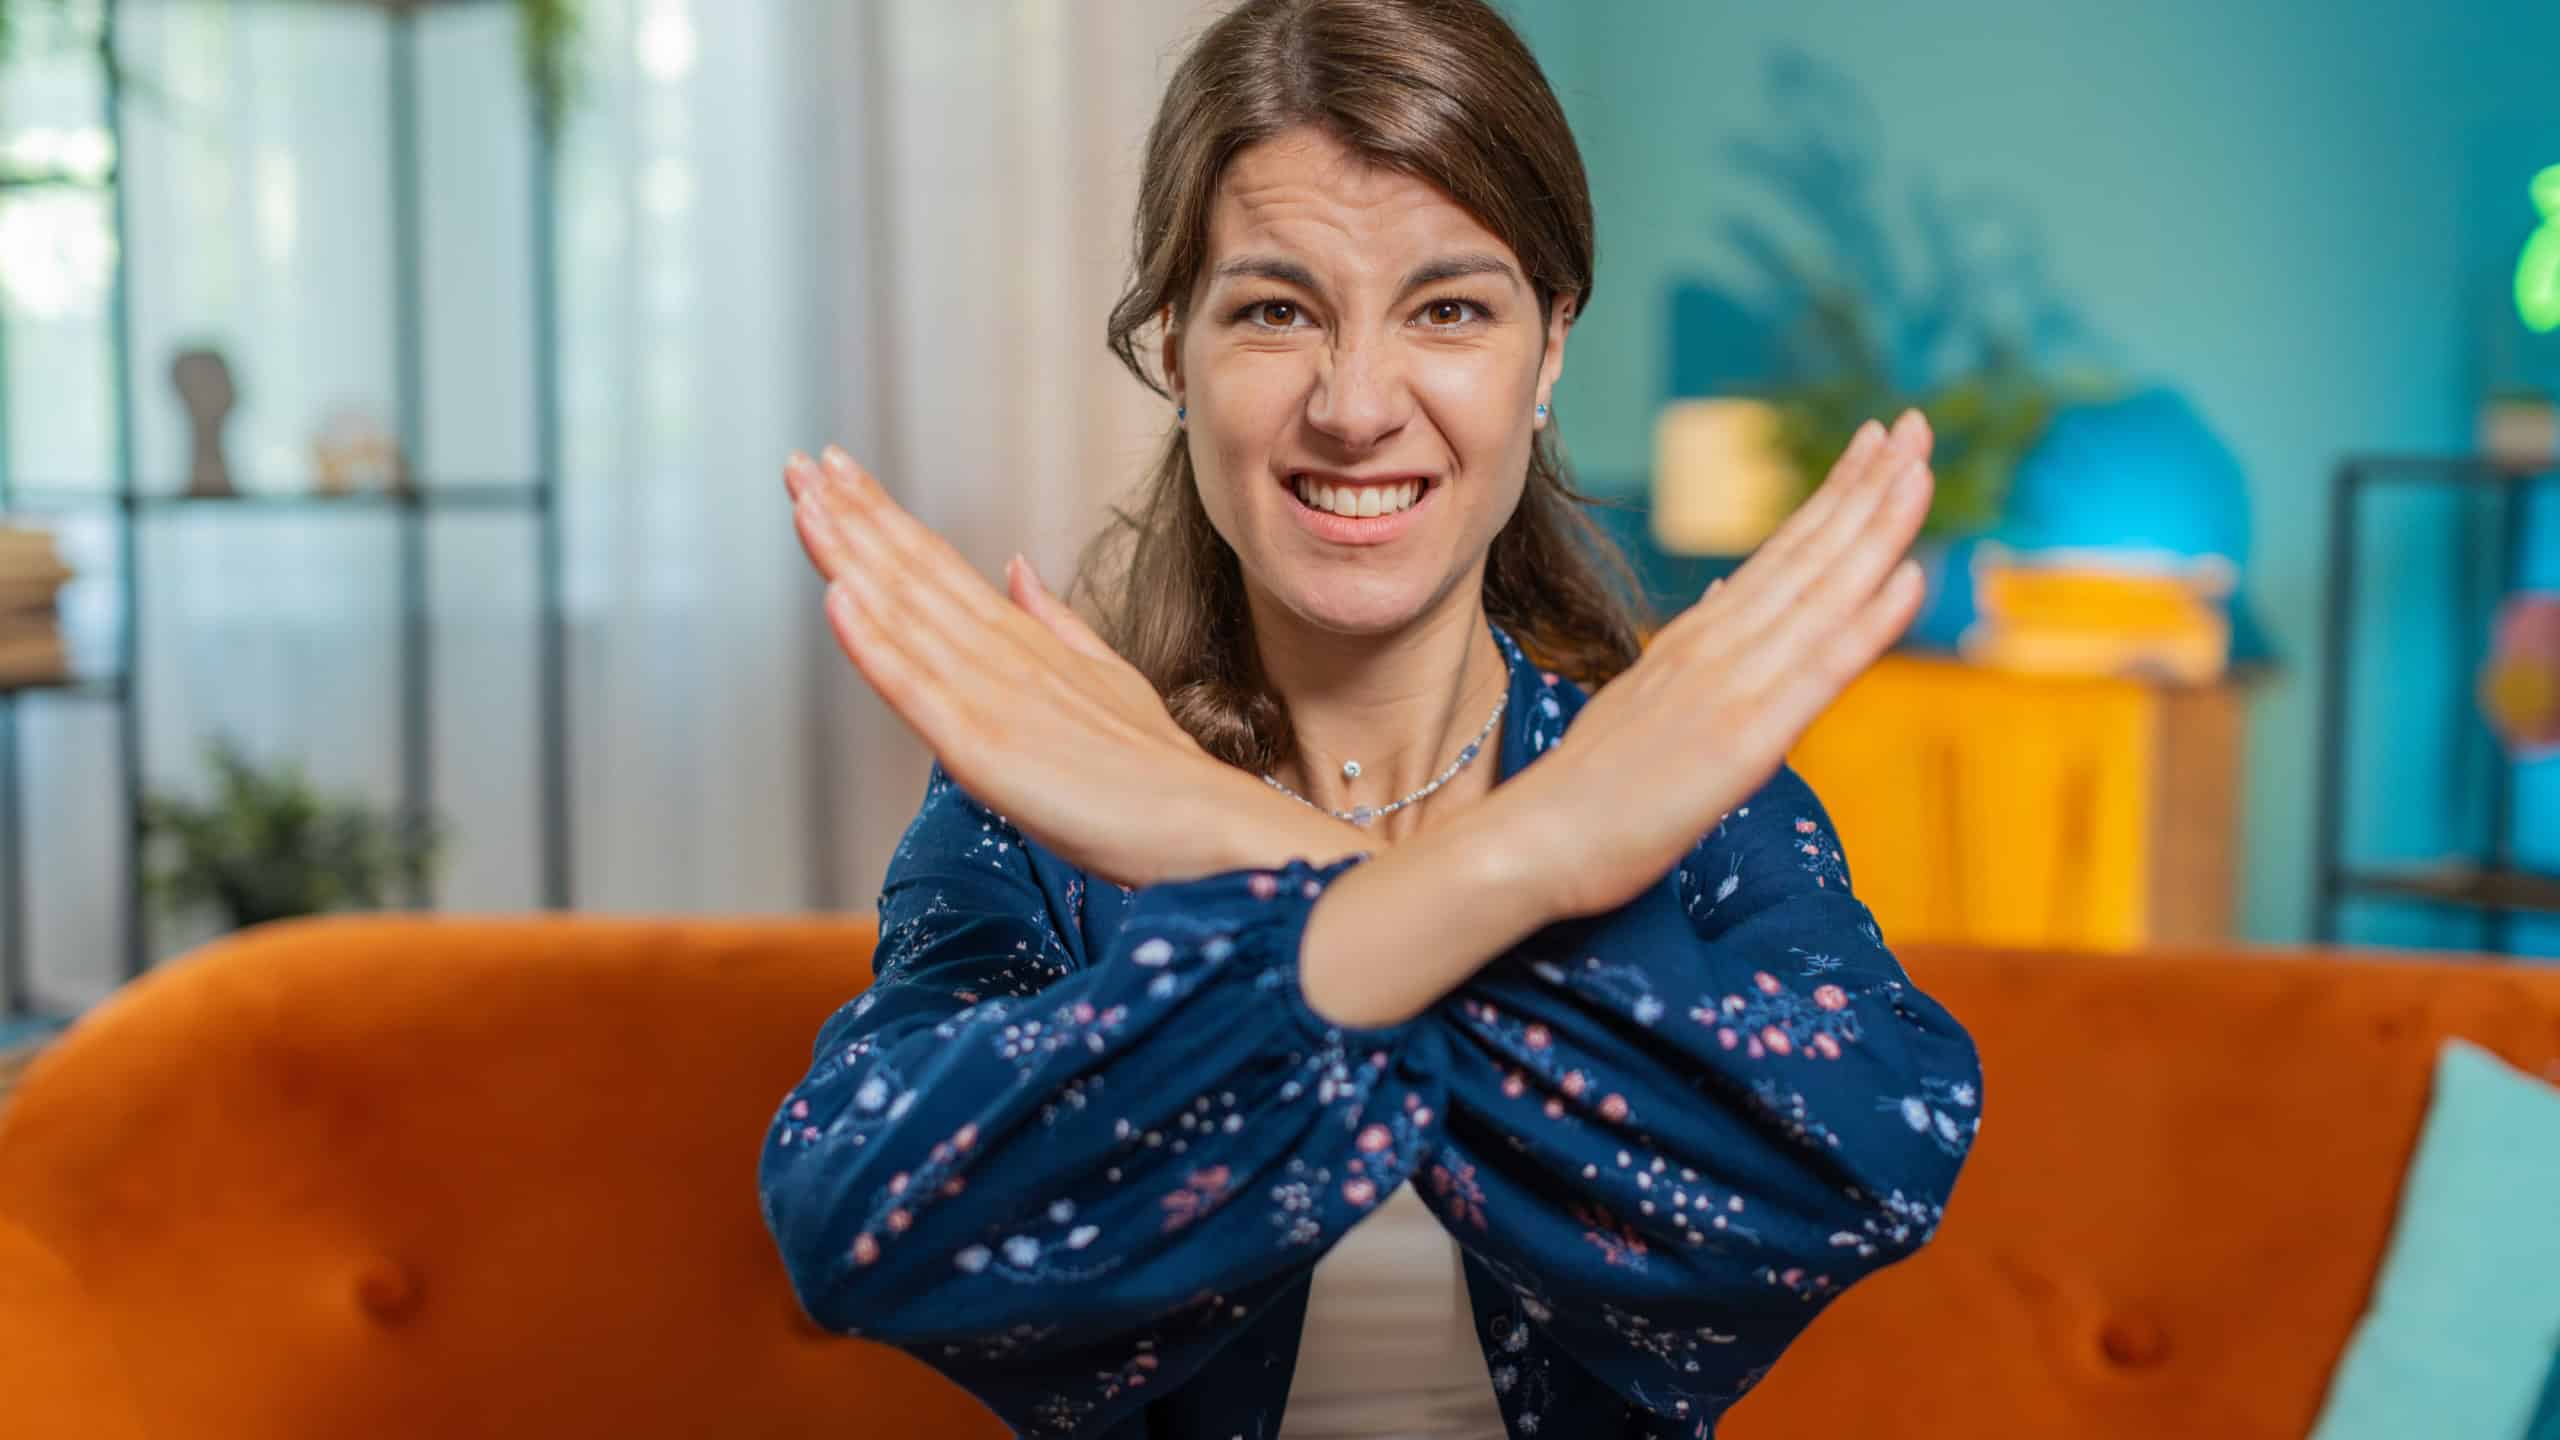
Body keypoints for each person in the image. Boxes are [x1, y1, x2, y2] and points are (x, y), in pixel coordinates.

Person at [758, 1, 1981, 1435]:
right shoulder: (1045, 796)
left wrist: (1221, 839)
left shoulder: (1673, 785)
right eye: (1274, 310)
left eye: (1449, 309)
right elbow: (868, 1226)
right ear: (1172, 345)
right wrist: (1529, 865)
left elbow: (1860, 1173)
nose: (1354, 406)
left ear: (1550, 348)